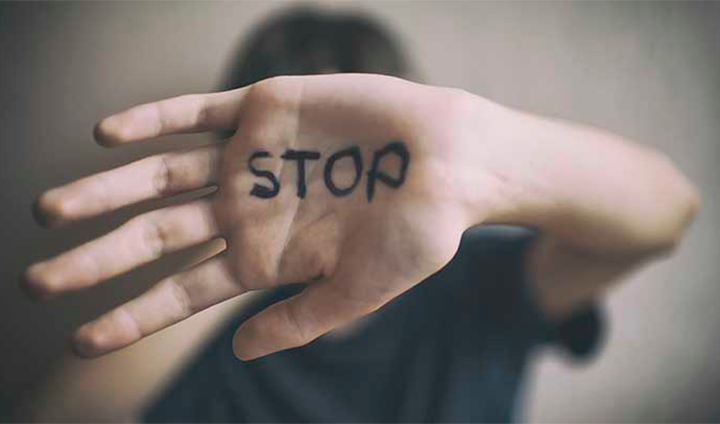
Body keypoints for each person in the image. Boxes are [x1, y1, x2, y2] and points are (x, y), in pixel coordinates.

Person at [22, 7, 699, 424]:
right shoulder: (212, 338)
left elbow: (669, 211)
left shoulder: (483, 281)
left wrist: (485, 152)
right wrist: (215, 273)